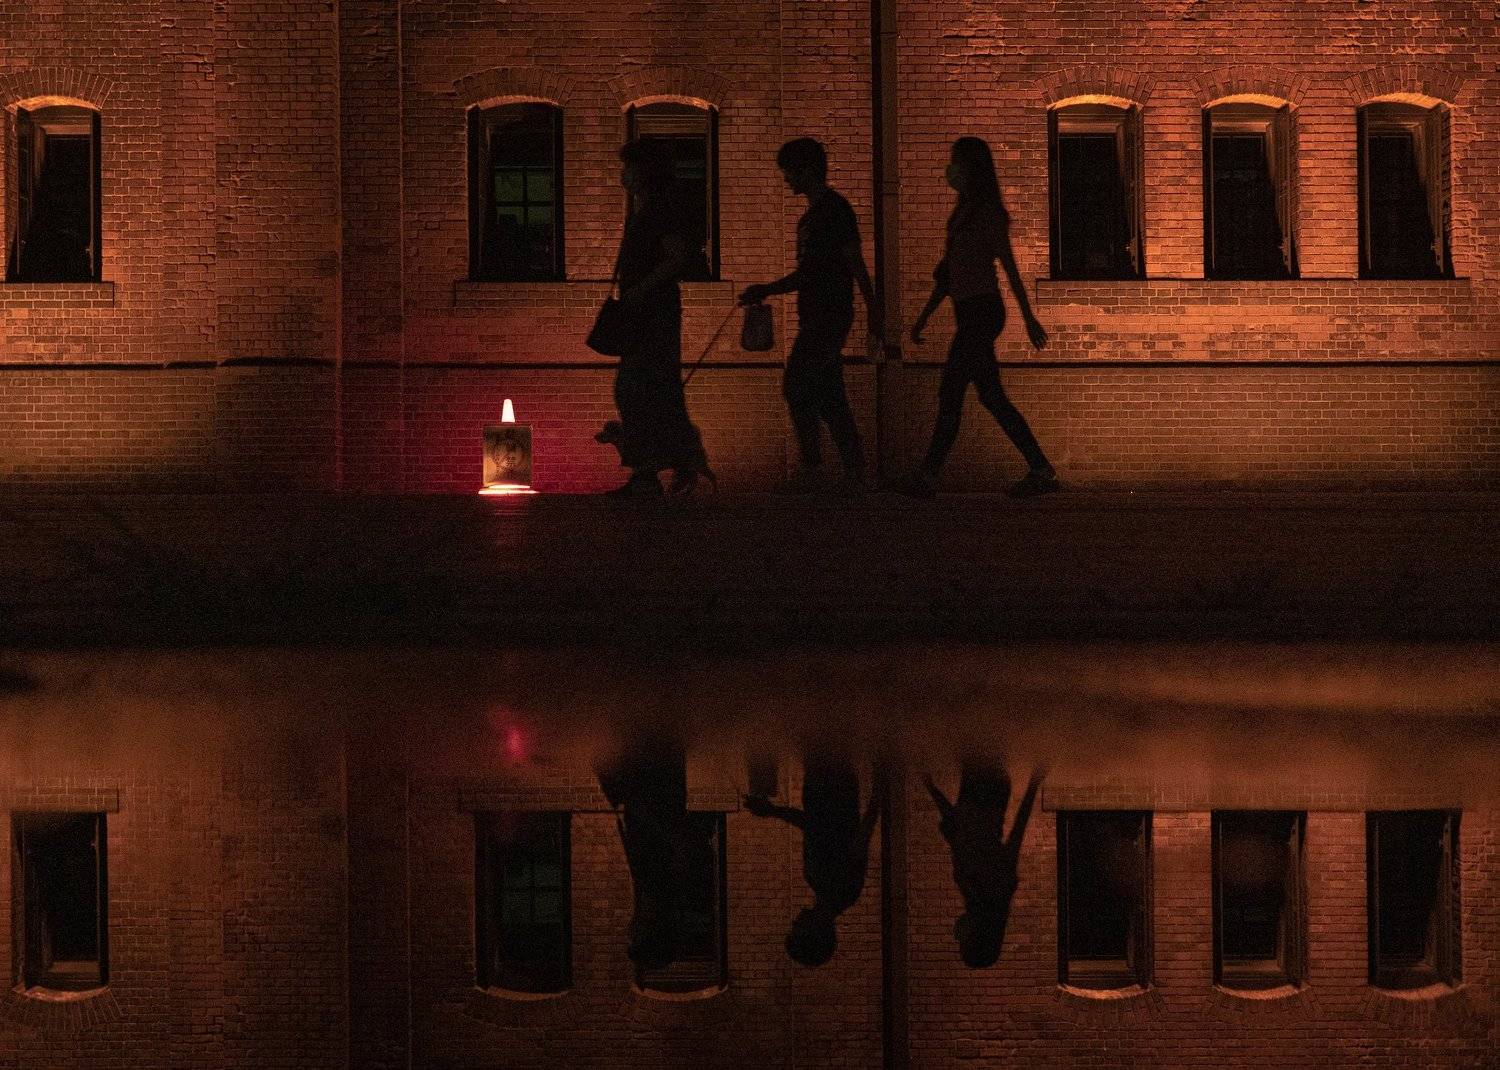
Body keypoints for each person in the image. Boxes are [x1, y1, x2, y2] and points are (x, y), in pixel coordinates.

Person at [904, 137, 1058, 499]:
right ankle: (1040, 468)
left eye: (956, 161)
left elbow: (1009, 266)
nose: (951, 169)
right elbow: (948, 275)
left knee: (951, 390)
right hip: (968, 312)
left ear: (972, 168)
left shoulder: (988, 213)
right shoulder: (961, 215)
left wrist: (1029, 318)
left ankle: (927, 476)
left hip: (982, 311)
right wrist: (924, 317)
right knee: (991, 396)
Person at [738, 138, 882, 495]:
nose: (786, 178)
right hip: (821, 314)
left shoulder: (832, 212)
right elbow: (838, 266)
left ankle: (815, 468)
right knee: (830, 394)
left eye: (789, 170)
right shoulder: (817, 215)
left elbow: (840, 265)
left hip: (827, 315)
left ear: (807, 170)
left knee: (797, 385)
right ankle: (852, 470)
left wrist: (767, 289)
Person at [605, 139, 714, 498]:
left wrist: (640, 289)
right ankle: (675, 464)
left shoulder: (657, 212)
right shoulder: (650, 210)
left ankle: (651, 472)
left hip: (652, 313)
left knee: (636, 388)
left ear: (643, 171)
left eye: (628, 167)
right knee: (652, 389)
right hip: (650, 311)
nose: (623, 175)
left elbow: (678, 256)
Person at [744, 754, 883, 966]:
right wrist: (772, 811)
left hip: (825, 790)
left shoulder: (823, 885)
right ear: (815, 932)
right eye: (797, 929)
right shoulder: (841, 889)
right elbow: (837, 831)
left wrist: (773, 811)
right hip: (834, 788)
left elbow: (815, 827)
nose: (794, 922)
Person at [924, 761, 1043, 968]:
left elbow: (956, 827)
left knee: (978, 751)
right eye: (963, 943)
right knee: (980, 751)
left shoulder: (982, 891)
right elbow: (1017, 830)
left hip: (983, 797)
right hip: (987, 796)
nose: (957, 936)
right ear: (977, 936)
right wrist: (1034, 783)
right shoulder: (991, 886)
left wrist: (932, 788)